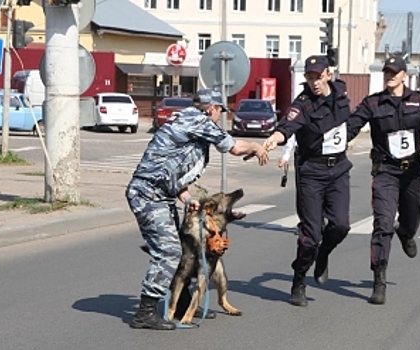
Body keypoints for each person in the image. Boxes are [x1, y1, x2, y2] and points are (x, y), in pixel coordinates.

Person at [126, 88, 269, 330]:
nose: (219, 116)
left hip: (160, 195)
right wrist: (255, 147)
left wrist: (185, 196)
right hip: (148, 196)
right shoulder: (198, 119)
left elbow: (170, 166)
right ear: (212, 108)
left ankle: (180, 304)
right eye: (219, 112)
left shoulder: (188, 122)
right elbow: (232, 147)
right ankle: (145, 311)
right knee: (169, 251)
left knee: (179, 249)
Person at [347, 56, 420, 305]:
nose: (389, 75)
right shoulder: (373, 103)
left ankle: (406, 232)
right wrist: (337, 141)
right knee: (383, 223)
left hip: (412, 171)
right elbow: (351, 126)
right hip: (385, 171)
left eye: (394, 72)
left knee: (411, 218)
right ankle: (379, 278)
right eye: (386, 72)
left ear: (404, 75)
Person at [264, 55, 352, 307]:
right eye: (309, 77)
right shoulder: (302, 103)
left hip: (339, 169)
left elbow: (350, 120)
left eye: (317, 76)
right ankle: (299, 278)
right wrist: (275, 138)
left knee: (341, 226)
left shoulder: (341, 92)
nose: (314, 82)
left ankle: (323, 254)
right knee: (310, 235)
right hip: (312, 171)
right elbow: (288, 125)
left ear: (328, 74)